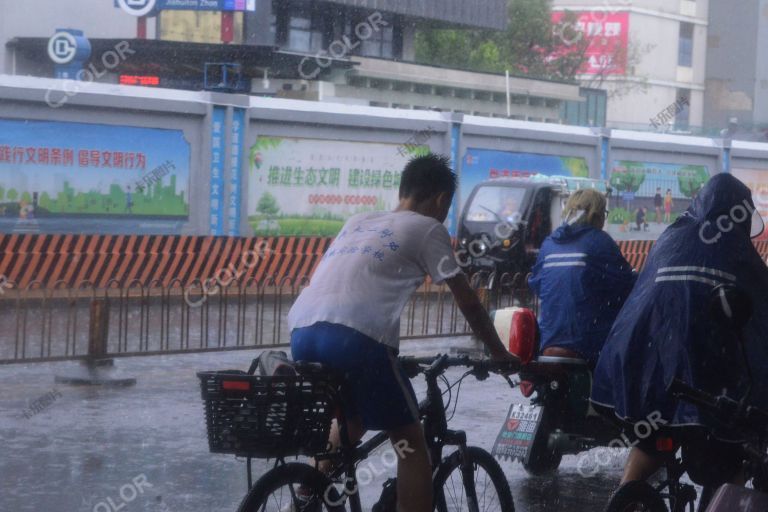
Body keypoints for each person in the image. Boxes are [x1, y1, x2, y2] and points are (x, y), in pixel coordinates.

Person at [288, 154, 518, 512]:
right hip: (355, 340)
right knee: (412, 446)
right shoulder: (428, 229)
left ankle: (307, 495)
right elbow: (468, 300)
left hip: (302, 332)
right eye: (446, 205)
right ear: (440, 199)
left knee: (353, 418)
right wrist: (498, 352)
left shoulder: (358, 221)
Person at [591, 173, 768, 487]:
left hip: (648, 373)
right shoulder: (737, 250)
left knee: (650, 442)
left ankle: (626, 499)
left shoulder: (671, 237)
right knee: (728, 459)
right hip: (713, 385)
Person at [528, 189, 635, 368]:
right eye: (604, 214)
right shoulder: (600, 242)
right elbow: (625, 285)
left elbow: (537, 283)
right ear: (597, 215)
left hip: (549, 341)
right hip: (587, 344)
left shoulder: (549, 244)